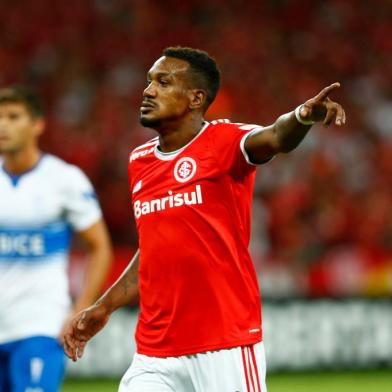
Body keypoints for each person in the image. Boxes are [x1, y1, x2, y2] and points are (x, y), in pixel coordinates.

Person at [63, 47, 346, 392]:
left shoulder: (224, 141)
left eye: (163, 83)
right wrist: (103, 308)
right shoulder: (139, 161)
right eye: (149, 81)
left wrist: (302, 115)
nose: (148, 91)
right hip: (155, 352)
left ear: (196, 98)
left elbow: (275, 136)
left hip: (224, 344)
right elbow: (152, 248)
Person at [0, 85, 112, 392]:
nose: (3, 126)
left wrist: (82, 308)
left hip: (40, 326)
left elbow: (100, 246)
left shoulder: (63, 180)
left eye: (13, 117)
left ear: (37, 124)